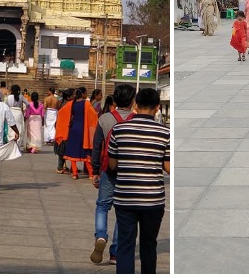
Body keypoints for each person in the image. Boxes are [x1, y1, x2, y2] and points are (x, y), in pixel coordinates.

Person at [108, 88, 170, 274]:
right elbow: (168, 167)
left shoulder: (118, 130)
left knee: (126, 244)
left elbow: (112, 164)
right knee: (149, 245)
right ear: (158, 108)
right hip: (152, 199)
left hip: (125, 198)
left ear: (135, 105)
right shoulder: (164, 132)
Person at [90, 83, 136, 266]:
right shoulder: (136, 119)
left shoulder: (105, 119)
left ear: (115, 100)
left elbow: (97, 146)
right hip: (129, 172)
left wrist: (94, 171)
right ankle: (115, 253)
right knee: (122, 211)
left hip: (108, 170)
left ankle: (101, 236)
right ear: (133, 100)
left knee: (102, 206)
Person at [56, 87, 98, 180]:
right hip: (83, 130)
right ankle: (91, 174)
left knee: (73, 152)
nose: (86, 94)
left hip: (73, 129)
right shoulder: (86, 104)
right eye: (86, 92)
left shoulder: (72, 103)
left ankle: (75, 174)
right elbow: (94, 115)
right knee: (85, 152)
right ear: (82, 94)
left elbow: (61, 112)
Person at [54, 88, 75, 173]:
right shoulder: (69, 104)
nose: (74, 96)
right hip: (65, 128)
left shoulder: (62, 102)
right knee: (63, 150)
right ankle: (60, 167)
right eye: (73, 95)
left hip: (61, 127)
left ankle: (63, 166)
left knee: (62, 149)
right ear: (69, 96)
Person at [6, 85, 27, 151]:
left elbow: (5, 105)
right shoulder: (21, 97)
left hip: (11, 112)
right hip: (18, 113)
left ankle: (11, 144)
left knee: (11, 128)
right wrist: (25, 110)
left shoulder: (8, 97)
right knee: (19, 128)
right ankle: (17, 145)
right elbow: (28, 104)